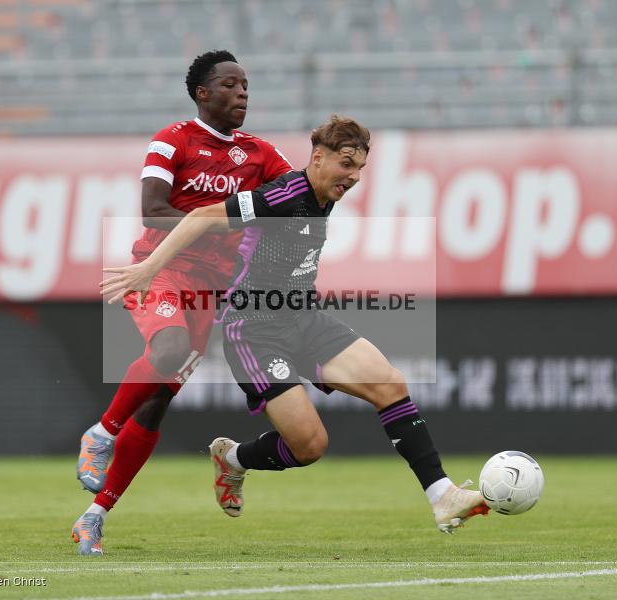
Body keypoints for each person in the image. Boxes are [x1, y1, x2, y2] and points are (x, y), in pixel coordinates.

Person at [100, 115, 490, 537]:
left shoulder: (327, 193)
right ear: (318, 158)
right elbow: (202, 218)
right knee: (310, 446)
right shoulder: (283, 195)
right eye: (346, 164)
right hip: (253, 331)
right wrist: (148, 270)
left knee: (389, 383)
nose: (354, 176)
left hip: (304, 317)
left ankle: (441, 495)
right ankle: (233, 459)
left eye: (360, 168)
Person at [72, 50, 292, 556]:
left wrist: (327, 177)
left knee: (157, 403)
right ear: (203, 93)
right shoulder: (172, 140)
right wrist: (225, 221)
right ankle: (100, 434)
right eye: (231, 85)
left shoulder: (258, 152)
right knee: (168, 350)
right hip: (161, 267)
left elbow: (292, 193)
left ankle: (94, 516)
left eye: (246, 86)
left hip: (213, 289)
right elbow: (151, 207)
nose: (243, 93)